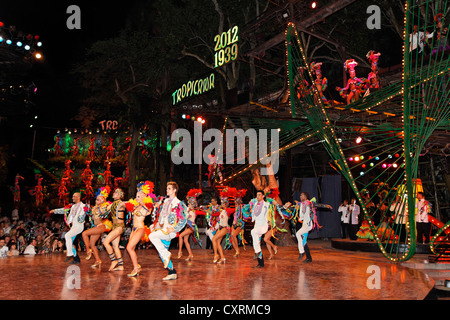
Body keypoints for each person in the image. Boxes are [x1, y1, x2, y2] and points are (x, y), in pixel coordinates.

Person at [149, 181, 187, 281]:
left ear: (174, 190)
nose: (167, 190)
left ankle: (166, 255)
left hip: (170, 231)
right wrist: (157, 224)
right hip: (163, 229)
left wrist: (174, 228)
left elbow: (184, 219)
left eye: (169, 188)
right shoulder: (165, 202)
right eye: (167, 188)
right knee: (162, 253)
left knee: (152, 236)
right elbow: (162, 216)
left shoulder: (178, 203)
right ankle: (172, 272)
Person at [126, 181, 155, 277]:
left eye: (138, 196)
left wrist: (144, 203)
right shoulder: (136, 206)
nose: (136, 198)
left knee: (129, 248)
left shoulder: (146, 207)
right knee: (131, 248)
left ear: (143, 197)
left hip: (140, 229)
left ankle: (136, 268)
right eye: (136, 196)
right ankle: (137, 265)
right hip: (134, 229)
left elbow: (149, 212)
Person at [50, 192, 87, 264]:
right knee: (69, 242)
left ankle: (69, 254)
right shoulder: (72, 206)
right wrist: (54, 211)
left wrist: (86, 211)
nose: (72, 198)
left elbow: (86, 215)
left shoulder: (83, 206)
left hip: (79, 226)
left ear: (78, 197)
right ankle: (76, 259)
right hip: (73, 227)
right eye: (72, 196)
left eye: (74, 196)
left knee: (67, 236)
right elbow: (64, 210)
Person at [82, 187, 112, 268]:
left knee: (84, 233)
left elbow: (109, 208)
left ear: (102, 201)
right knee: (92, 244)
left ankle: (88, 251)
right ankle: (98, 260)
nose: (96, 201)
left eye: (98, 200)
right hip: (95, 227)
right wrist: (87, 209)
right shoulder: (94, 208)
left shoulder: (103, 208)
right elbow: (89, 213)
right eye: (96, 200)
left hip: (101, 226)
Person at [102, 188, 126, 271]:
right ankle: (120, 265)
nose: (113, 193)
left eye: (115, 193)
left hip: (119, 226)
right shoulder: (113, 204)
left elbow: (126, 204)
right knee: (115, 246)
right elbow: (104, 211)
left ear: (119, 195)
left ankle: (113, 260)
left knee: (105, 242)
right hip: (114, 226)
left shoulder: (121, 203)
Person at [212, 188, 235, 264]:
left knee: (213, 239)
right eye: (221, 202)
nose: (221, 204)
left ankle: (216, 255)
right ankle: (222, 257)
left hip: (225, 228)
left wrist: (240, 206)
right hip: (220, 228)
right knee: (217, 243)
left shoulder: (227, 210)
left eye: (222, 203)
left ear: (225, 203)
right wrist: (211, 211)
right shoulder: (221, 211)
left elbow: (235, 209)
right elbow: (213, 214)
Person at [178, 188, 202, 261]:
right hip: (187, 227)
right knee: (185, 240)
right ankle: (190, 254)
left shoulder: (195, 211)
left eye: (190, 204)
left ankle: (180, 251)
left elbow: (203, 212)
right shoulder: (188, 210)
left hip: (192, 227)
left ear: (193, 204)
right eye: (188, 203)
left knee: (180, 236)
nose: (189, 205)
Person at [249, 190, 270, 268]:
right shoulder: (255, 204)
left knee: (253, 232)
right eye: (257, 195)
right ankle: (260, 262)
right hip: (257, 225)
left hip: (263, 226)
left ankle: (257, 252)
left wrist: (284, 207)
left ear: (263, 196)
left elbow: (276, 208)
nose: (257, 196)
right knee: (256, 242)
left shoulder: (267, 204)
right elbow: (252, 214)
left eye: (259, 195)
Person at [295, 192, 314, 263]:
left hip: (308, 224)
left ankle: (301, 252)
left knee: (297, 234)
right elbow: (301, 218)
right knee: (304, 242)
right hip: (304, 224)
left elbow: (309, 204)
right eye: (300, 195)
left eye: (301, 195)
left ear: (305, 197)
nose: (300, 196)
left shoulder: (309, 203)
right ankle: (309, 258)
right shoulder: (302, 205)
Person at [230, 189, 247, 257]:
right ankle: (236, 251)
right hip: (234, 224)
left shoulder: (242, 207)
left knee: (234, 235)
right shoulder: (235, 208)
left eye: (236, 200)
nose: (235, 201)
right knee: (232, 237)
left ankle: (237, 250)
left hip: (240, 224)